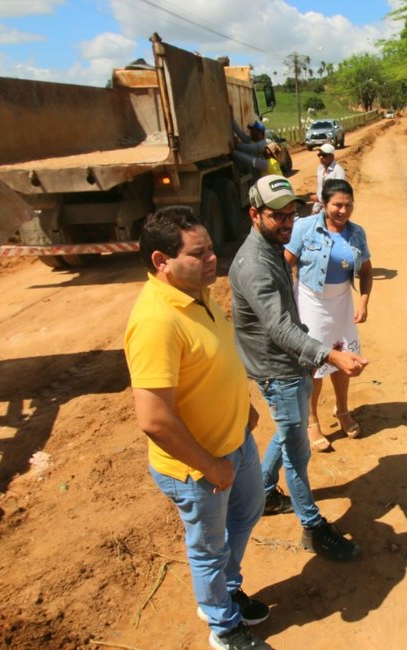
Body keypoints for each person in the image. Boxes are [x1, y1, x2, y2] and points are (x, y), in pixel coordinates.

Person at [124, 206, 271, 650]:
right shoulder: (155, 321)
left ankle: (226, 588)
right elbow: (153, 419)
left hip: (235, 441)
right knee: (208, 547)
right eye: (198, 253)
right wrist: (210, 466)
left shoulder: (198, 293)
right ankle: (223, 627)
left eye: (210, 249)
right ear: (161, 261)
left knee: (248, 512)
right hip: (197, 466)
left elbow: (213, 362)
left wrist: (243, 409)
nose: (212, 259)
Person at [229, 174, 367, 561]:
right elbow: (278, 327)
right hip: (277, 368)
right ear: (254, 214)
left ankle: (264, 490)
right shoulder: (255, 265)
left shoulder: (272, 245)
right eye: (278, 216)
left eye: (292, 215)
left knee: (288, 428)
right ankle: (312, 527)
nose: (287, 223)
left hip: (291, 360)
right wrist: (329, 355)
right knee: (297, 451)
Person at [284, 179, 372, 453]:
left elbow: (366, 270)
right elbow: (284, 266)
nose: (343, 211)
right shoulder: (304, 228)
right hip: (310, 302)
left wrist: (364, 301)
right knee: (315, 364)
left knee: (344, 359)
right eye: (337, 205)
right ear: (323, 203)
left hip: (342, 302)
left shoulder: (357, 233)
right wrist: (285, 306)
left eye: (348, 205)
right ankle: (312, 420)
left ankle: (342, 410)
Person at [309, 143, 346, 214]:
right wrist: (315, 210)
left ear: (332, 156)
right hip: (322, 207)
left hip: (332, 209)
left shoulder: (338, 171)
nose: (321, 157)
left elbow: (339, 193)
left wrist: (320, 199)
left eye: (324, 155)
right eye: (319, 155)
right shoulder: (320, 169)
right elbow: (320, 190)